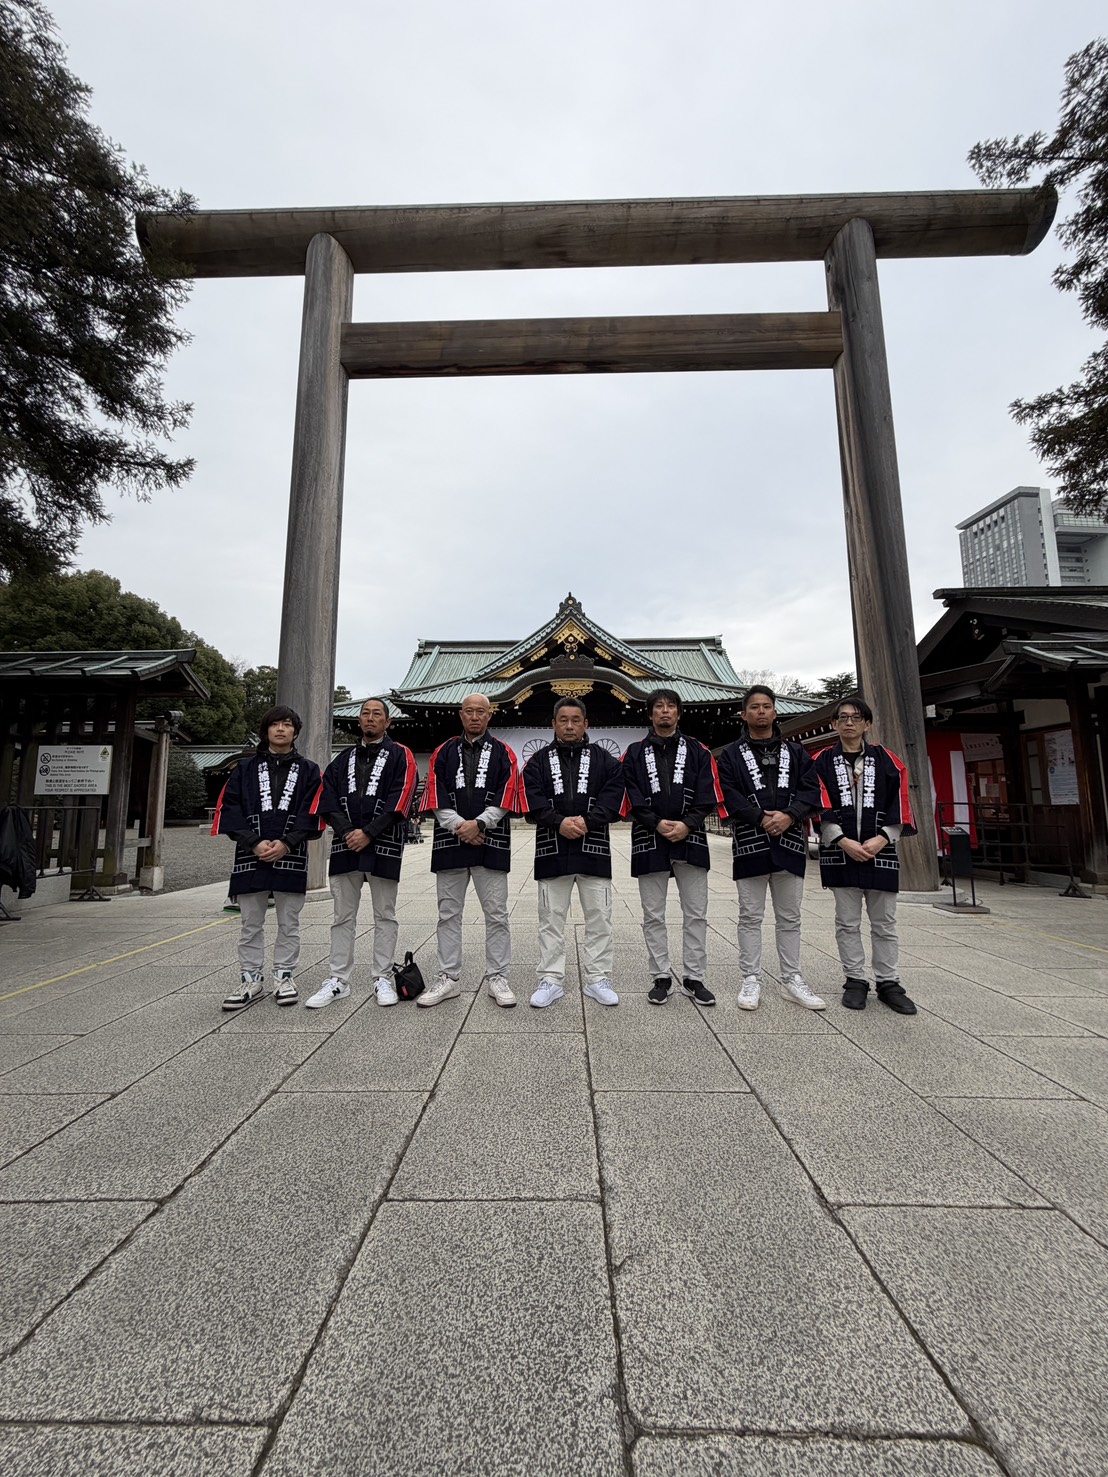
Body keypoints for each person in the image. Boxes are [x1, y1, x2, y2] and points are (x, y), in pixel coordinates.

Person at [717, 686, 826, 1010]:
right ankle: (751, 977)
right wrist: (760, 817)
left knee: (790, 916)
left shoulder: (797, 753)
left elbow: (811, 790)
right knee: (750, 915)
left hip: (789, 841)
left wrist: (790, 815)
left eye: (766, 706)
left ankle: (792, 978)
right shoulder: (731, 755)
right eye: (755, 707)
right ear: (744, 714)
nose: (761, 712)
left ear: (775, 712)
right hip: (750, 842)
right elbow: (729, 793)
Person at [307, 697, 418, 1009]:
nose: (370, 718)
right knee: (342, 916)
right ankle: (338, 979)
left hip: (384, 843)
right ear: (359, 721)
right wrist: (347, 831)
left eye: (377, 714)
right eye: (365, 713)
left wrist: (369, 832)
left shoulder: (401, 755)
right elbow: (327, 798)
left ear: (388, 722)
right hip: (346, 845)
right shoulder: (342, 760)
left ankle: (382, 976)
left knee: (385, 914)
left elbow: (402, 796)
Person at [517, 697, 626, 1008]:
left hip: (594, 848)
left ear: (585, 724)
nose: (569, 726)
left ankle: (598, 978)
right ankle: (550, 979)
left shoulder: (605, 760)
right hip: (552, 848)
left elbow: (613, 797)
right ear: (553, 724)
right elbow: (532, 799)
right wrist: (558, 822)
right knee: (550, 918)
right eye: (563, 720)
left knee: (600, 917)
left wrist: (587, 822)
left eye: (575, 720)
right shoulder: (538, 761)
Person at [212, 705, 323, 1011]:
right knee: (250, 922)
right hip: (251, 854)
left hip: (291, 853)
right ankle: (250, 979)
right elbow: (230, 808)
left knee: (289, 922)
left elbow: (313, 811)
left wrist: (288, 843)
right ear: (266, 731)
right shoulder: (244, 769)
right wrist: (253, 842)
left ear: (295, 732)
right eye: (275, 724)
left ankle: (284, 977)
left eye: (287, 724)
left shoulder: (309, 770)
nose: (281, 729)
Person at [812, 694, 918, 1014]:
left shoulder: (888, 760)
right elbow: (816, 804)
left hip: (880, 848)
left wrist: (883, 838)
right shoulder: (820, 761)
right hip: (840, 848)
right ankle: (855, 979)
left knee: (884, 922)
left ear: (867, 724)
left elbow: (900, 803)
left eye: (856, 717)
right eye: (842, 718)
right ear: (833, 724)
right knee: (846, 922)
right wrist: (840, 839)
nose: (849, 723)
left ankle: (888, 981)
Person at [621, 689, 724, 1006]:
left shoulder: (698, 751)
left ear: (679, 713)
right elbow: (630, 793)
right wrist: (655, 822)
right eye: (658, 707)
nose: (665, 711)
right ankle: (661, 976)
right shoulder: (634, 753)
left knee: (696, 912)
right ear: (650, 713)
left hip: (690, 836)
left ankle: (694, 977)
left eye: (670, 706)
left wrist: (688, 823)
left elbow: (707, 793)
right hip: (649, 836)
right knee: (653, 913)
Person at [418, 693, 519, 1009]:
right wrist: (461, 826)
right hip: (451, 840)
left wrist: (480, 824)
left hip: (490, 839)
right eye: (469, 711)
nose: (475, 717)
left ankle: (498, 976)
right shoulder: (443, 752)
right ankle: (448, 977)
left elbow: (508, 792)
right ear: (461, 715)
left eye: (481, 712)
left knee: (497, 913)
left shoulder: (504, 753)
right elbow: (436, 792)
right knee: (448, 913)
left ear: (490, 716)